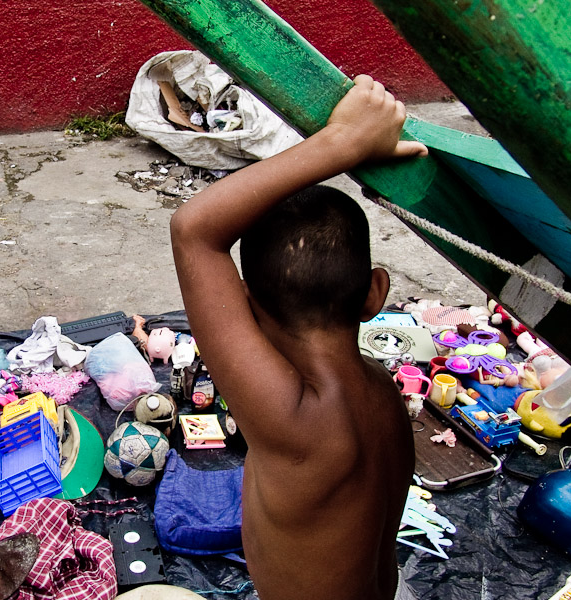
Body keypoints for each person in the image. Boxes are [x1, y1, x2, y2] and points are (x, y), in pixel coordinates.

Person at [169, 74, 428, 600]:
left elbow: (194, 231)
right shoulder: (381, 390)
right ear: (376, 293)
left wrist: (343, 142)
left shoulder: (295, 419)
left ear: (243, 305)